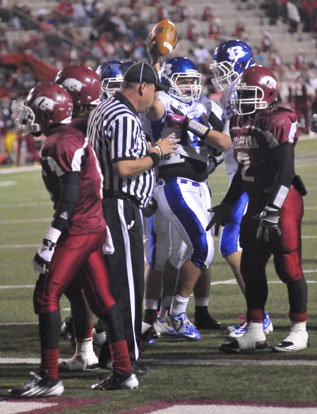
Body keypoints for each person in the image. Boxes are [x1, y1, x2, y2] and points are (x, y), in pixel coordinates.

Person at [10, 82, 138, 397]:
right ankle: (124, 371)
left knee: (46, 296)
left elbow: (68, 195)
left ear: (47, 110)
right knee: (103, 300)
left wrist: (51, 238)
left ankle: (48, 378)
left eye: (34, 109)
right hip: (91, 225)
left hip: (79, 227)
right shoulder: (69, 136)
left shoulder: (59, 142)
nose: (29, 116)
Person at [208, 66, 308, 353]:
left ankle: (299, 330)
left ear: (268, 94)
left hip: (282, 200)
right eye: (241, 94)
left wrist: (274, 208)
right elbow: (243, 169)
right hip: (255, 199)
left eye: (250, 94)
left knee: (287, 265)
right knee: (251, 266)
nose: (243, 100)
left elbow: (286, 169)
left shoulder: (277, 118)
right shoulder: (240, 120)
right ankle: (254, 330)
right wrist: (228, 203)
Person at [87, 61, 179, 376]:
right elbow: (124, 167)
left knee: (112, 285)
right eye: (153, 91)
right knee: (127, 286)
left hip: (104, 205)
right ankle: (124, 356)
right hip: (118, 207)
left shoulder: (103, 108)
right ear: (142, 87)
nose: (154, 98)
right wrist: (157, 152)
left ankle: (109, 351)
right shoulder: (124, 116)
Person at [145, 36, 232, 340]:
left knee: (183, 253)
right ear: (170, 81)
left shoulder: (207, 106)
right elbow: (155, 111)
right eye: (182, 81)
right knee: (202, 247)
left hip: (200, 185)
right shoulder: (164, 101)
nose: (189, 86)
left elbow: (225, 142)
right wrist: (156, 65)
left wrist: (194, 126)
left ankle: (167, 312)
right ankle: (177, 315)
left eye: (192, 81)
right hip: (173, 182)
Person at [209, 39, 273, 339]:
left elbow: (227, 140)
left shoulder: (240, 91)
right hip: (245, 174)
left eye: (224, 67)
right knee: (240, 246)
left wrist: (196, 130)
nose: (220, 74)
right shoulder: (241, 89)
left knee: (231, 245)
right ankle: (257, 315)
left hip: (248, 176)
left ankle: (260, 316)